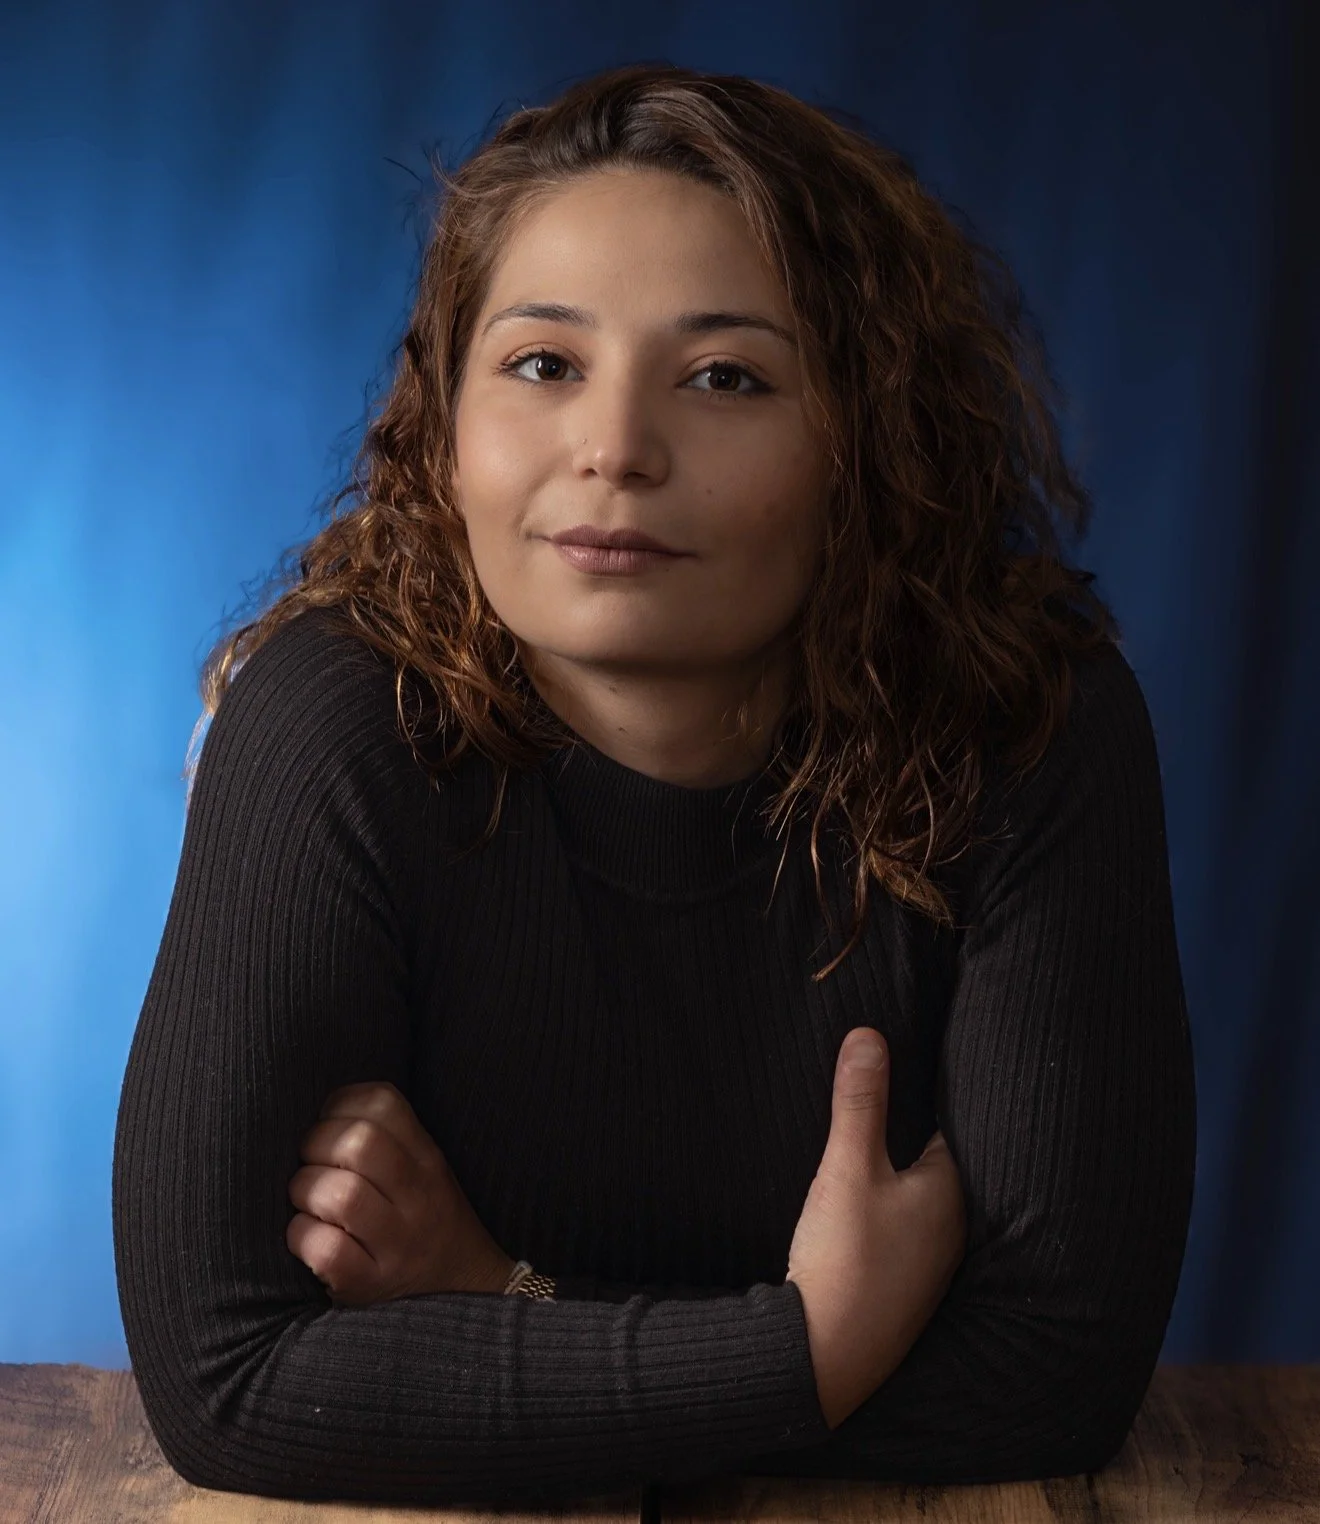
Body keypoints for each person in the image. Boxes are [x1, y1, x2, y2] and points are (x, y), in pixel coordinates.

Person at [111, 62, 1196, 1509]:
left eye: (726, 377)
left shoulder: (1029, 730)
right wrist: (809, 1351)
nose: (615, 449)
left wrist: (500, 1300)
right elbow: (227, 1383)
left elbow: (1059, 1368)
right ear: (444, 421)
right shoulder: (333, 724)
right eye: (542, 364)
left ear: (866, 442)